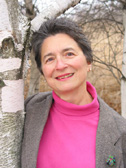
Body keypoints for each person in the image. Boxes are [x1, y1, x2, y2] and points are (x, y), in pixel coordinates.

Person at [21, 18, 126, 168]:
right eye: (49, 59)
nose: (60, 65)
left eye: (69, 54)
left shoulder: (120, 131)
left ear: (88, 61)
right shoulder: (27, 110)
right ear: (43, 71)